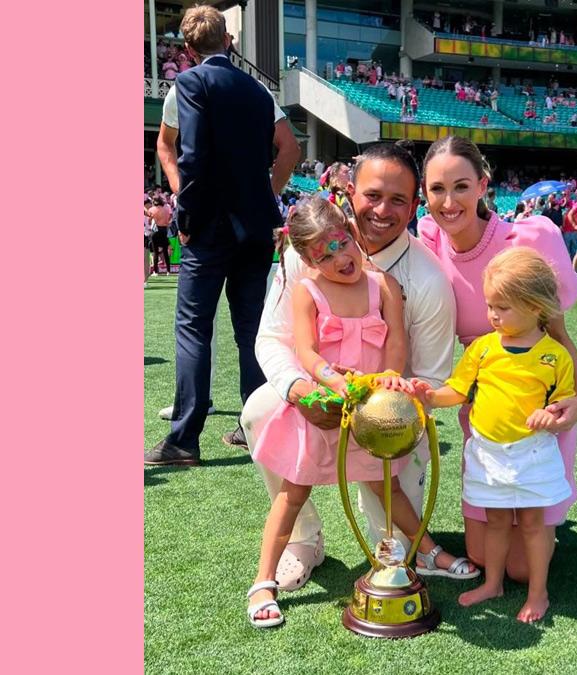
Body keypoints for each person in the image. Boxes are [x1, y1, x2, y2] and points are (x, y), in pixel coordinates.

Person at [241, 143, 472, 592]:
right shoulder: (301, 253)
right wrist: (299, 391)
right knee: (259, 410)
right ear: (349, 193)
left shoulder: (425, 279)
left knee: (392, 544)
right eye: (372, 195)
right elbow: (274, 338)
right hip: (321, 393)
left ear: (414, 205)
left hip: (391, 406)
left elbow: (432, 376)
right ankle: (303, 541)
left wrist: (380, 409)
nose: (383, 210)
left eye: (399, 199)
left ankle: (399, 543)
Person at [416, 135, 577, 585]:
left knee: (519, 567)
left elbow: (558, 333)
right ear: (425, 193)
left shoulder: (529, 239)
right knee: (480, 554)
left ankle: (541, 524)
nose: (448, 201)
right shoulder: (429, 238)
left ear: (483, 186)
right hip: (485, 406)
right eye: (437, 188)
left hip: (536, 411)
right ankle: (529, 526)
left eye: (461, 186)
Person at [145, 5, 299, 466]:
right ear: (229, 41)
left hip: (208, 225)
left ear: (188, 49)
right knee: (253, 327)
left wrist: (183, 212)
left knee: (194, 327)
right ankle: (256, 427)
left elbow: (185, 152)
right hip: (256, 224)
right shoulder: (258, 90)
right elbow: (290, 148)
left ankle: (184, 439)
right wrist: (265, 193)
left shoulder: (188, 83)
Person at [387, 247, 574, 623]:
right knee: (497, 521)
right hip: (487, 452)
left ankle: (539, 594)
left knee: (535, 524)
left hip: (532, 453)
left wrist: (549, 414)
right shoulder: (484, 348)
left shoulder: (554, 355)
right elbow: (456, 390)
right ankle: (493, 583)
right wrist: (429, 395)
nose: (492, 315)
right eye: (490, 305)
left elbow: (565, 402)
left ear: (536, 306)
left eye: (502, 307)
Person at [146, 197, 173, 275]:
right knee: (165, 251)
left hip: (155, 231)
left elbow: (149, 221)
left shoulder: (152, 209)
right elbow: (168, 220)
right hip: (164, 230)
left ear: (154, 202)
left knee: (155, 252)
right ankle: (168, 271)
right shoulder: (166, 209)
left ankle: (156, 272)